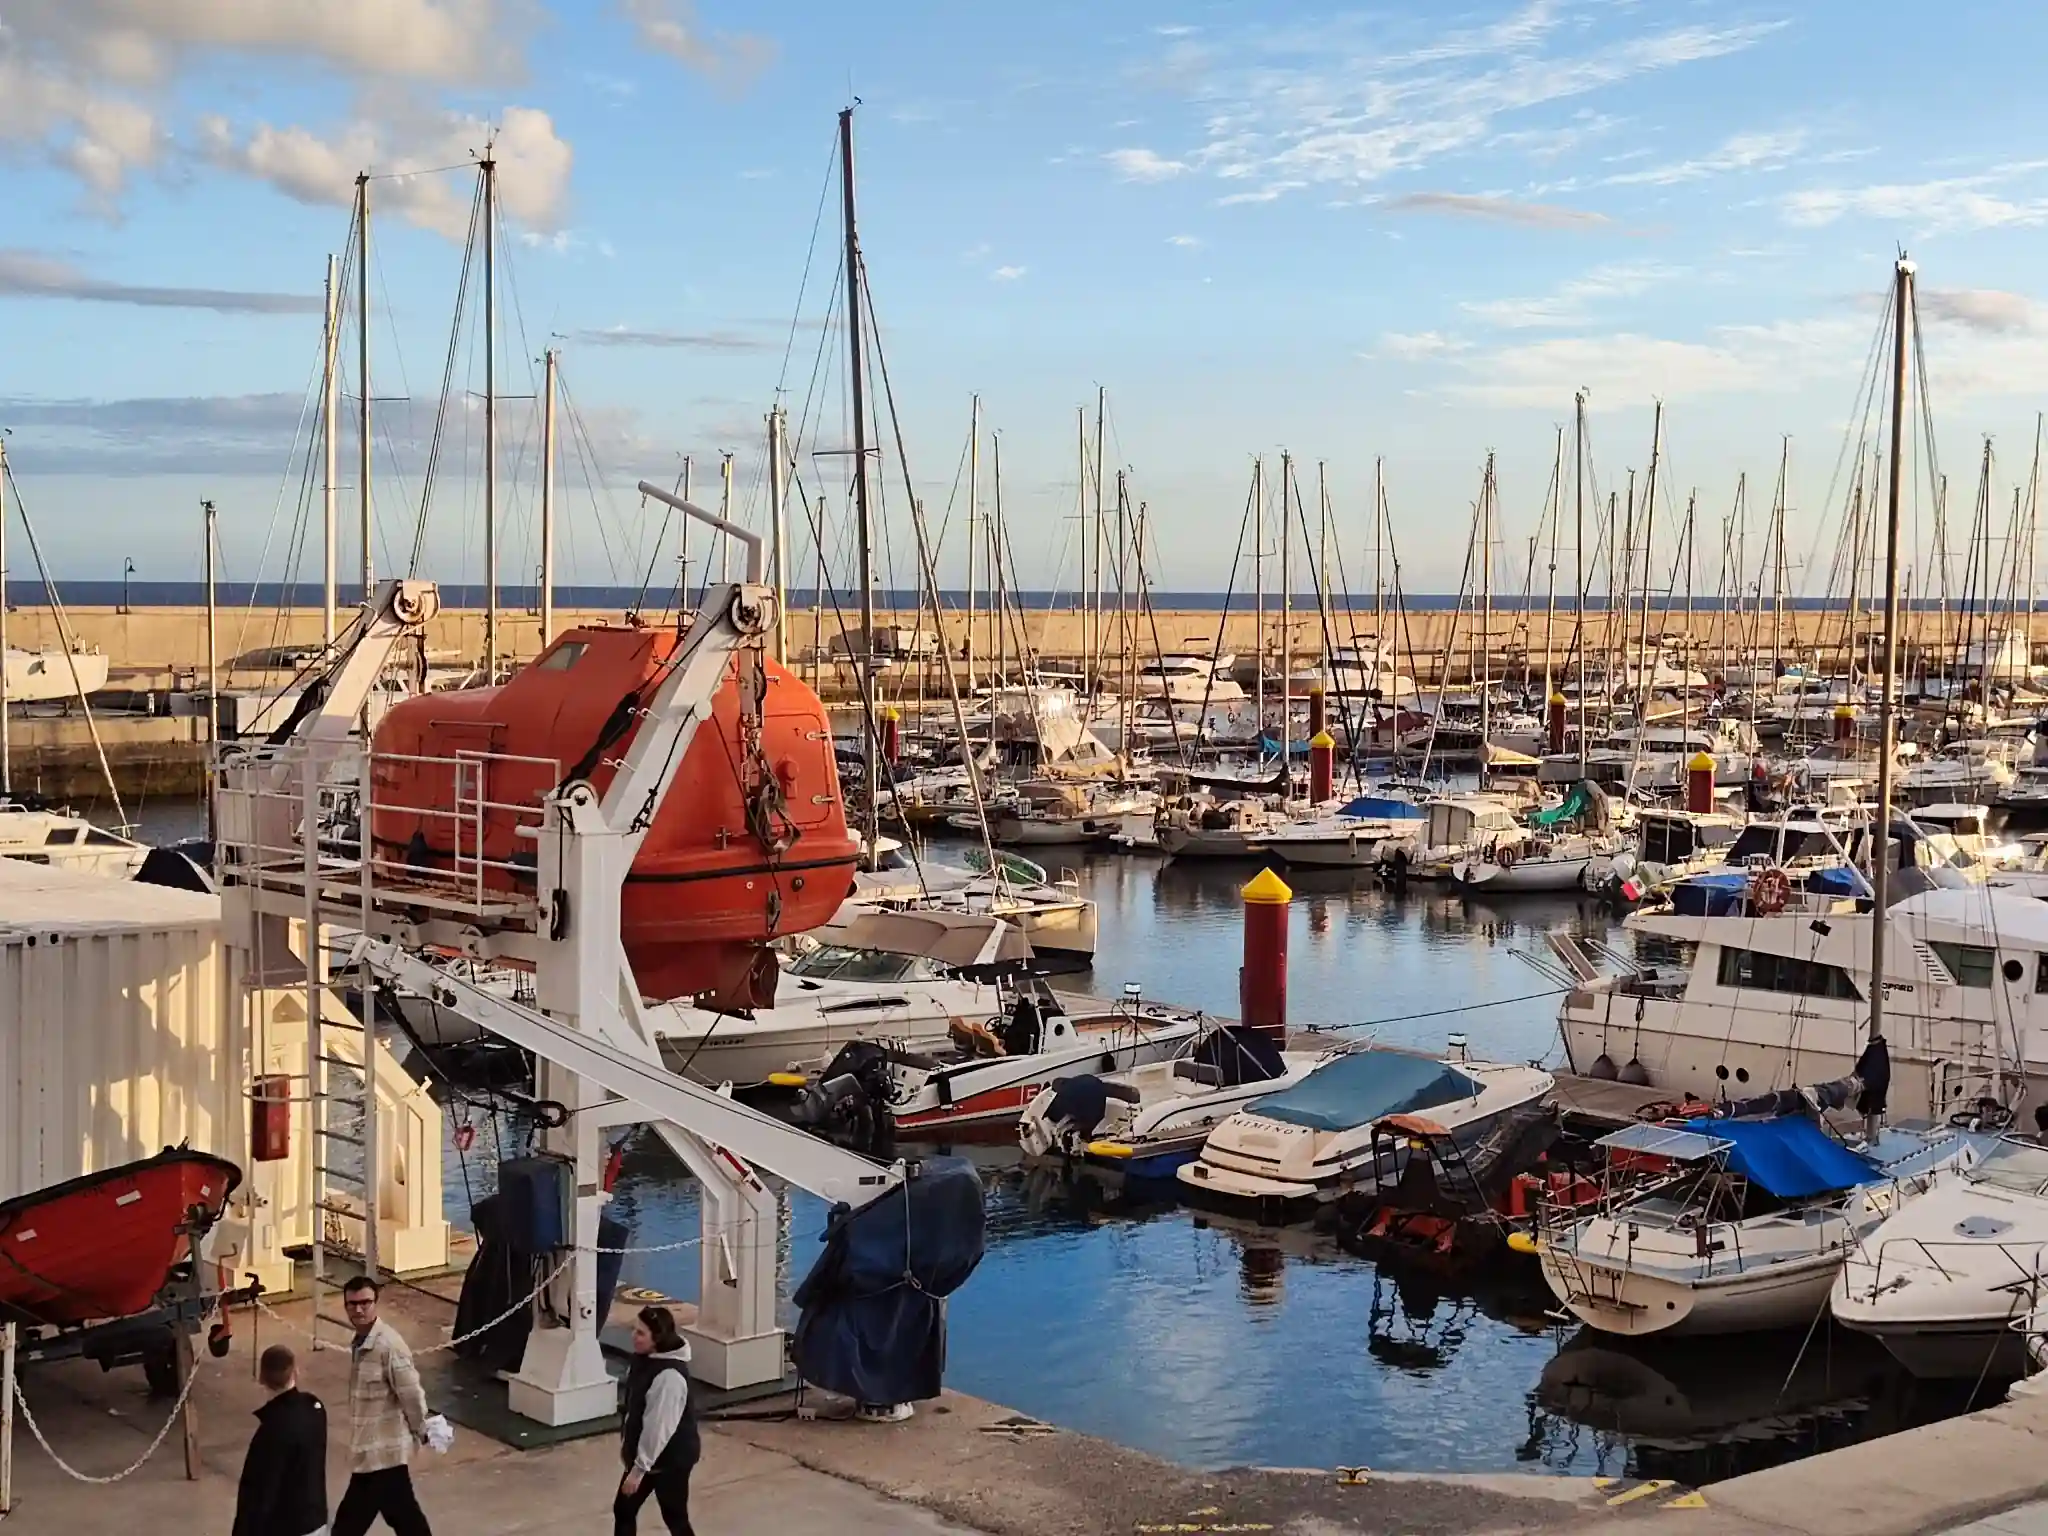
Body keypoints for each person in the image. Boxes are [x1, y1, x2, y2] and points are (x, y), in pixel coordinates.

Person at [332, 1276, 434, 1536]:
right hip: (372, 1453)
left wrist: (420, 1429)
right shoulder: (361, 1344)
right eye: (352, 1304)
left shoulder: (388, 1346)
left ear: (376, 1303)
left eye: (365, 1303)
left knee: (348, 1526)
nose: (358, 1309)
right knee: (405, 1518)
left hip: (381, 1456)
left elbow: (411, 1393)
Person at [614, 1306, 699, 1536]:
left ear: (657, 1338)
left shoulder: (668, 1378)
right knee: (624, 1510)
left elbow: (658, 1428)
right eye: (634, 1329)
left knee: (674, 1517)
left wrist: (638, 1469)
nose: (634, 1336)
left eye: (641, 1333)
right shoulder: (645, 1360)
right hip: (653, 1460)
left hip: (668, 1462)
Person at [233, 1344, 329, 1536]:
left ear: (261, 1378)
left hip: (284, 1527)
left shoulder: (270, 1431)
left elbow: (259, 1493)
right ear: (296, 1372)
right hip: (315, 1519)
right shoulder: (315, 1409)